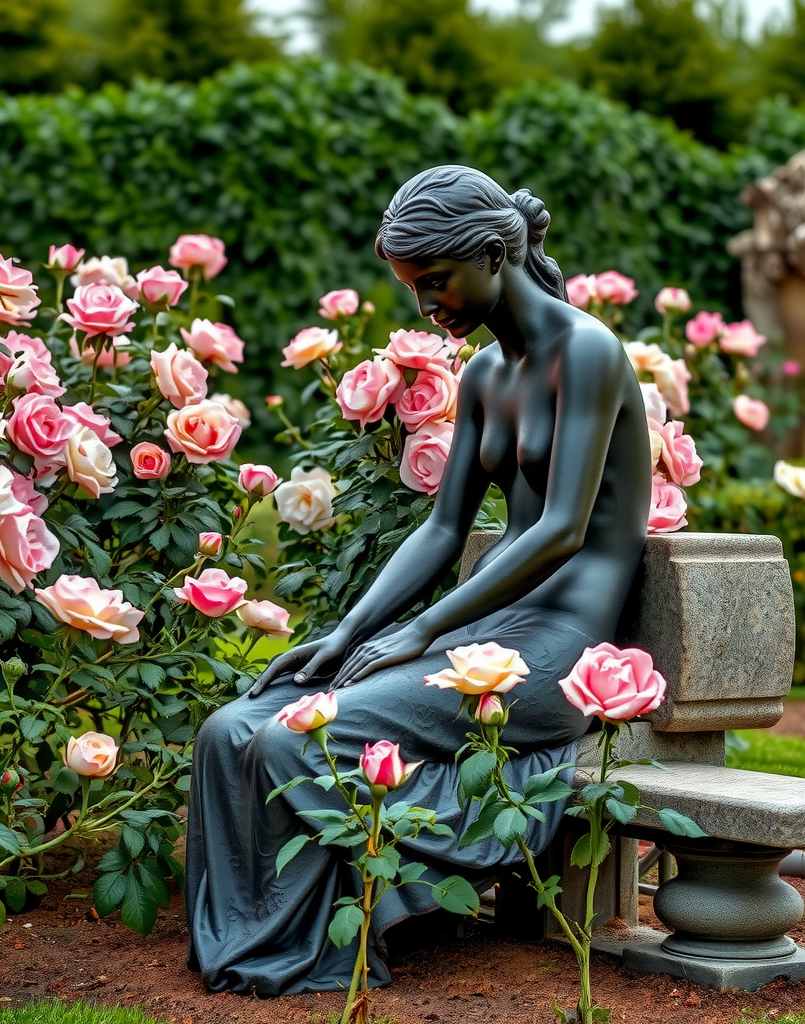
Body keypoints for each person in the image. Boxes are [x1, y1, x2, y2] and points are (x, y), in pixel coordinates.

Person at [185, 165, 651, 996]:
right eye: (410, 286)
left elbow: (560, 528)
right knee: (230, 728)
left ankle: (313, 951)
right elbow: (441, 529)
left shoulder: (587, 352)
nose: (424, 304)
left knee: (298, 736)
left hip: (558, 657)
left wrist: (425, 631)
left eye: (435, 281)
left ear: (494, 254)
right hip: (488, 635)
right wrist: (350, 631)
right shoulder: (483, 376)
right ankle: (256, 944)